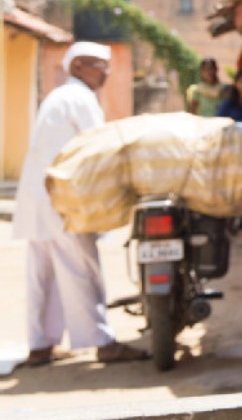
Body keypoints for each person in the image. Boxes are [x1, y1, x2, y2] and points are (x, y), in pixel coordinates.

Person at [12, 41, 150, 368]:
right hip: (65, 202)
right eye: (99, 67)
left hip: (39, 200)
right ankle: (103, 343)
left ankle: (40, 345)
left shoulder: (59, 97)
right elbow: (97, 147)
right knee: (82, 270)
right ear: (78, 67)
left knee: (41, 275)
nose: (105, 74)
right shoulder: (79, 98)